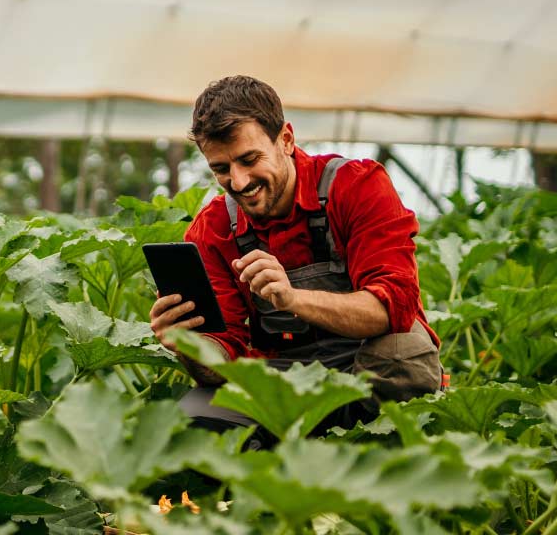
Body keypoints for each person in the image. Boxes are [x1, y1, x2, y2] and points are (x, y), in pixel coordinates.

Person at [149, 75, 442, 437]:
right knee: (192, 420)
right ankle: (278, 468)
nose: (239, 182)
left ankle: (365, 449)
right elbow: (221, 363)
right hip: (281, 380)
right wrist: (190, 345)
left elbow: (393, 308)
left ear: (286, 139)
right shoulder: (213, 229)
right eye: (221, 169)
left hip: (365, 364)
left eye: (249, 159)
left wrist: (293, 299)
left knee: (403, 357)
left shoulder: (356, 185)